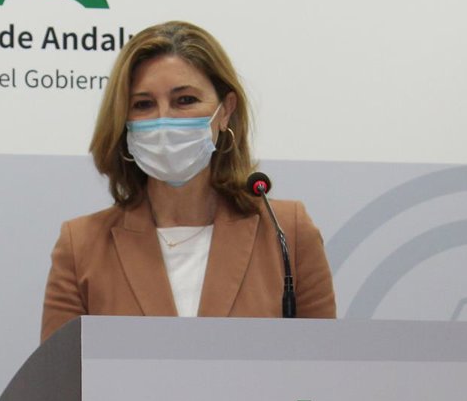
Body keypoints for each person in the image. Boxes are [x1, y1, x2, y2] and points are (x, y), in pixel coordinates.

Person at [41, 21, 335, 342]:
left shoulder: (286, 233)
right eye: (143, 104)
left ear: (225, 111)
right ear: (123, 121)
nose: (164, 120)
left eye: (185, 100)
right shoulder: (81, 246)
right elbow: (59, 373)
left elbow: (322, 363)